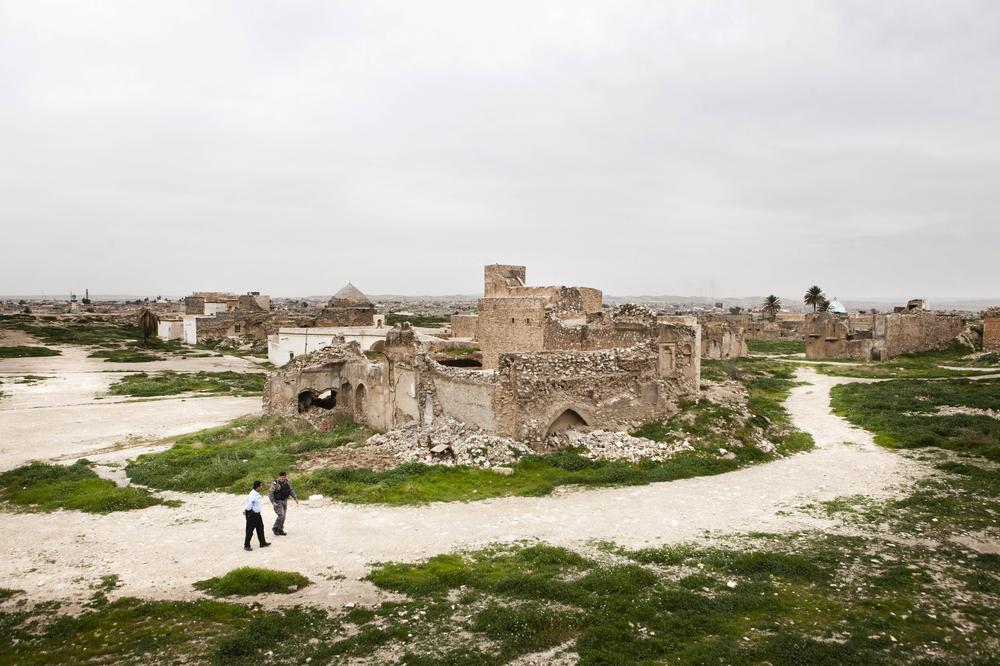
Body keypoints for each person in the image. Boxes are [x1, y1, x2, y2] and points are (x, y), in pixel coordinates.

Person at [268, 471, 299, 536]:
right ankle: (275, 528)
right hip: (277, 502)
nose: (281, 478)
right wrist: (273, 502)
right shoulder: (274, 484)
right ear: (278, 477)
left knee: (283, 516)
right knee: (281, 515)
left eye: (283, 477)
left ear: (285, 477)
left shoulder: (287, 482)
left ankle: (280, 529)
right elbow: (270, 493)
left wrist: (295, 498)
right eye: (280, 477)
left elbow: (291, 490)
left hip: (284, 501)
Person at [243, 480, 271, 551]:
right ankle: (246, 545)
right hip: (252, 514)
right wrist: (247, 511)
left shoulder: (256, 493)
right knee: (250, 530)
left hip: (257, 514)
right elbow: (249, 505)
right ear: (257, 487)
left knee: (260, 528)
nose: (262, 487)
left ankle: (262, 543)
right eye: (261, 486)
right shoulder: (252, 495)